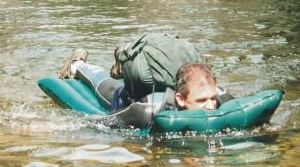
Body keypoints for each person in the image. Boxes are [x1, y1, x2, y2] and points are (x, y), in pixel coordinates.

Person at [57, 45, 231, 127]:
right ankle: (77, 64)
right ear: (180, 99)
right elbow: (102, 123)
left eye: (212, 98)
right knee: (108, 88)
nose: (210, 106)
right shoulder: (148, 109)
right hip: (134, 97)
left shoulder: (223, 100)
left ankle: (123, 60)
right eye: (201, 100)